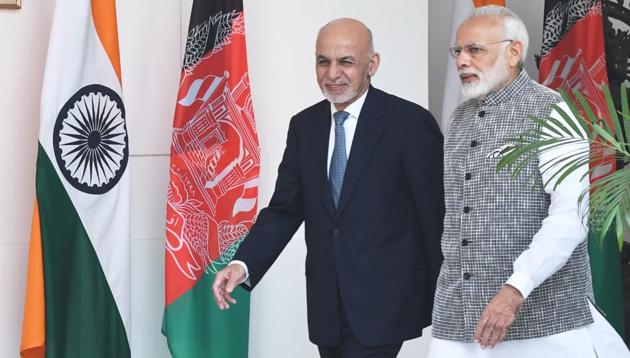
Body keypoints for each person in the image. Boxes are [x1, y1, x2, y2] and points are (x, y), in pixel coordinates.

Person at [212, 17, 444, 358]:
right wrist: (243, 264)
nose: (332, 73)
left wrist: (449, 300)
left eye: (346, 62)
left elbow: (436, 216)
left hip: (385, 304)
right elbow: (285, 210)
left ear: (372, 64)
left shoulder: (409, 124)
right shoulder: (305, 127)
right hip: (326, 307)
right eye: (324, 61)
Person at [428, 5, 630, 357]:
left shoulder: (552, 110)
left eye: (474, 49)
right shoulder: (458, 119)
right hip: (457, 315)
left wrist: (515, 288)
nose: (461, 60)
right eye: (457, 51)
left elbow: (571, 216)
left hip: (541, 317)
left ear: (513, 52)